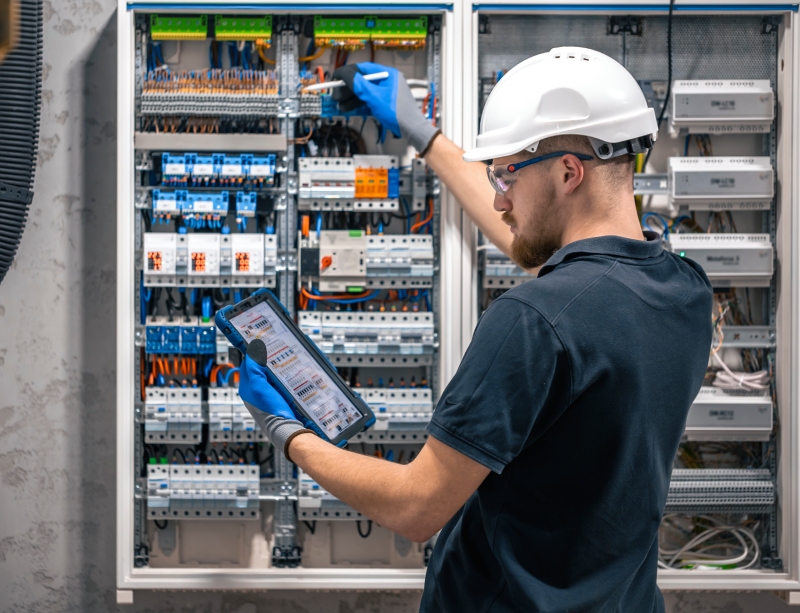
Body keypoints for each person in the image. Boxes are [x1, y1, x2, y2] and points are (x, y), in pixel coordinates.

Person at [239, 47, 713, 612]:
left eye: (506, 173)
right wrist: (422, 132)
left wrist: (290, 434)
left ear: (568, 172)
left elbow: (416, 508)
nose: (497, 195)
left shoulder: (532, 319)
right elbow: (545, 253)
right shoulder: (684, 290)